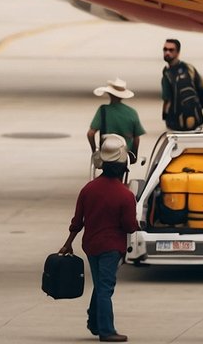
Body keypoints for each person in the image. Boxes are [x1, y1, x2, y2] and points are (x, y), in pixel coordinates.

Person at [61, 134, 138, 343]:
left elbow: (78, 221)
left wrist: (68, 243)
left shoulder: (88, 189)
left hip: (91, 245)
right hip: (111, 247)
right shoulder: (125, 195)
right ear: (123, 167)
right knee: (105, 287)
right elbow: (130, 226)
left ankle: (94, 321)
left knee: (100, 283)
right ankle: (106, 330)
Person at [88, 78, 145, 158]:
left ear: (109, 94)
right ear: (123, 96)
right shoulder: (132, 112)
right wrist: (134, 155)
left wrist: (94, 151)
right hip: (125, 153)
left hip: (106, 153)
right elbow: (136, 138)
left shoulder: (103, 110)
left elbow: (90, 134)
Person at [160, 38, 203, 131]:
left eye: (171, 50)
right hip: (196, 120)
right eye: (165, 49)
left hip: (175, 123)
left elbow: (167, 100)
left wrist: (166, 117)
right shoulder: (189, 68)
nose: (167, 52)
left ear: (178, 52)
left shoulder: (167, 74)